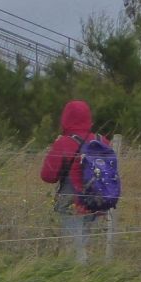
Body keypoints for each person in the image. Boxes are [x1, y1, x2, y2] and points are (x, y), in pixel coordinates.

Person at [40, 100, 112, 263]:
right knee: (91, 245)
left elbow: (47, 176)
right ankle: (95, 274)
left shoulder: (64, 143)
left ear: (66, 118)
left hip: (71, 200)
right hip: (99, 201)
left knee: (73, 247)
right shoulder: (103, 141)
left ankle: (77, 278)